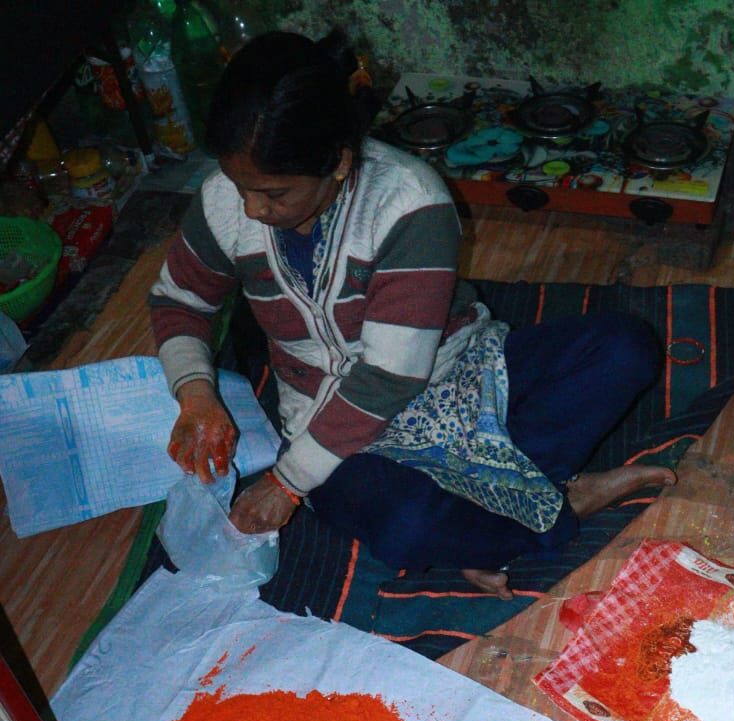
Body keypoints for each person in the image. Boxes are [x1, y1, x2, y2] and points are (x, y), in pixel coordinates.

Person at [150, 31, 674, 599]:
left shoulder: (407, 202)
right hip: (330, 425)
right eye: (240, 186)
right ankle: (552, 503)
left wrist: (286, 483)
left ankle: (489, 529)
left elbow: (388, 378)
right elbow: (180, 300)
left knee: (624, 349)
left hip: (455, 375)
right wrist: (195, 393)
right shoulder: (224, 201)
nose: (253, 208)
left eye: (275, 193)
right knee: (404, 524)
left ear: (339, 162)